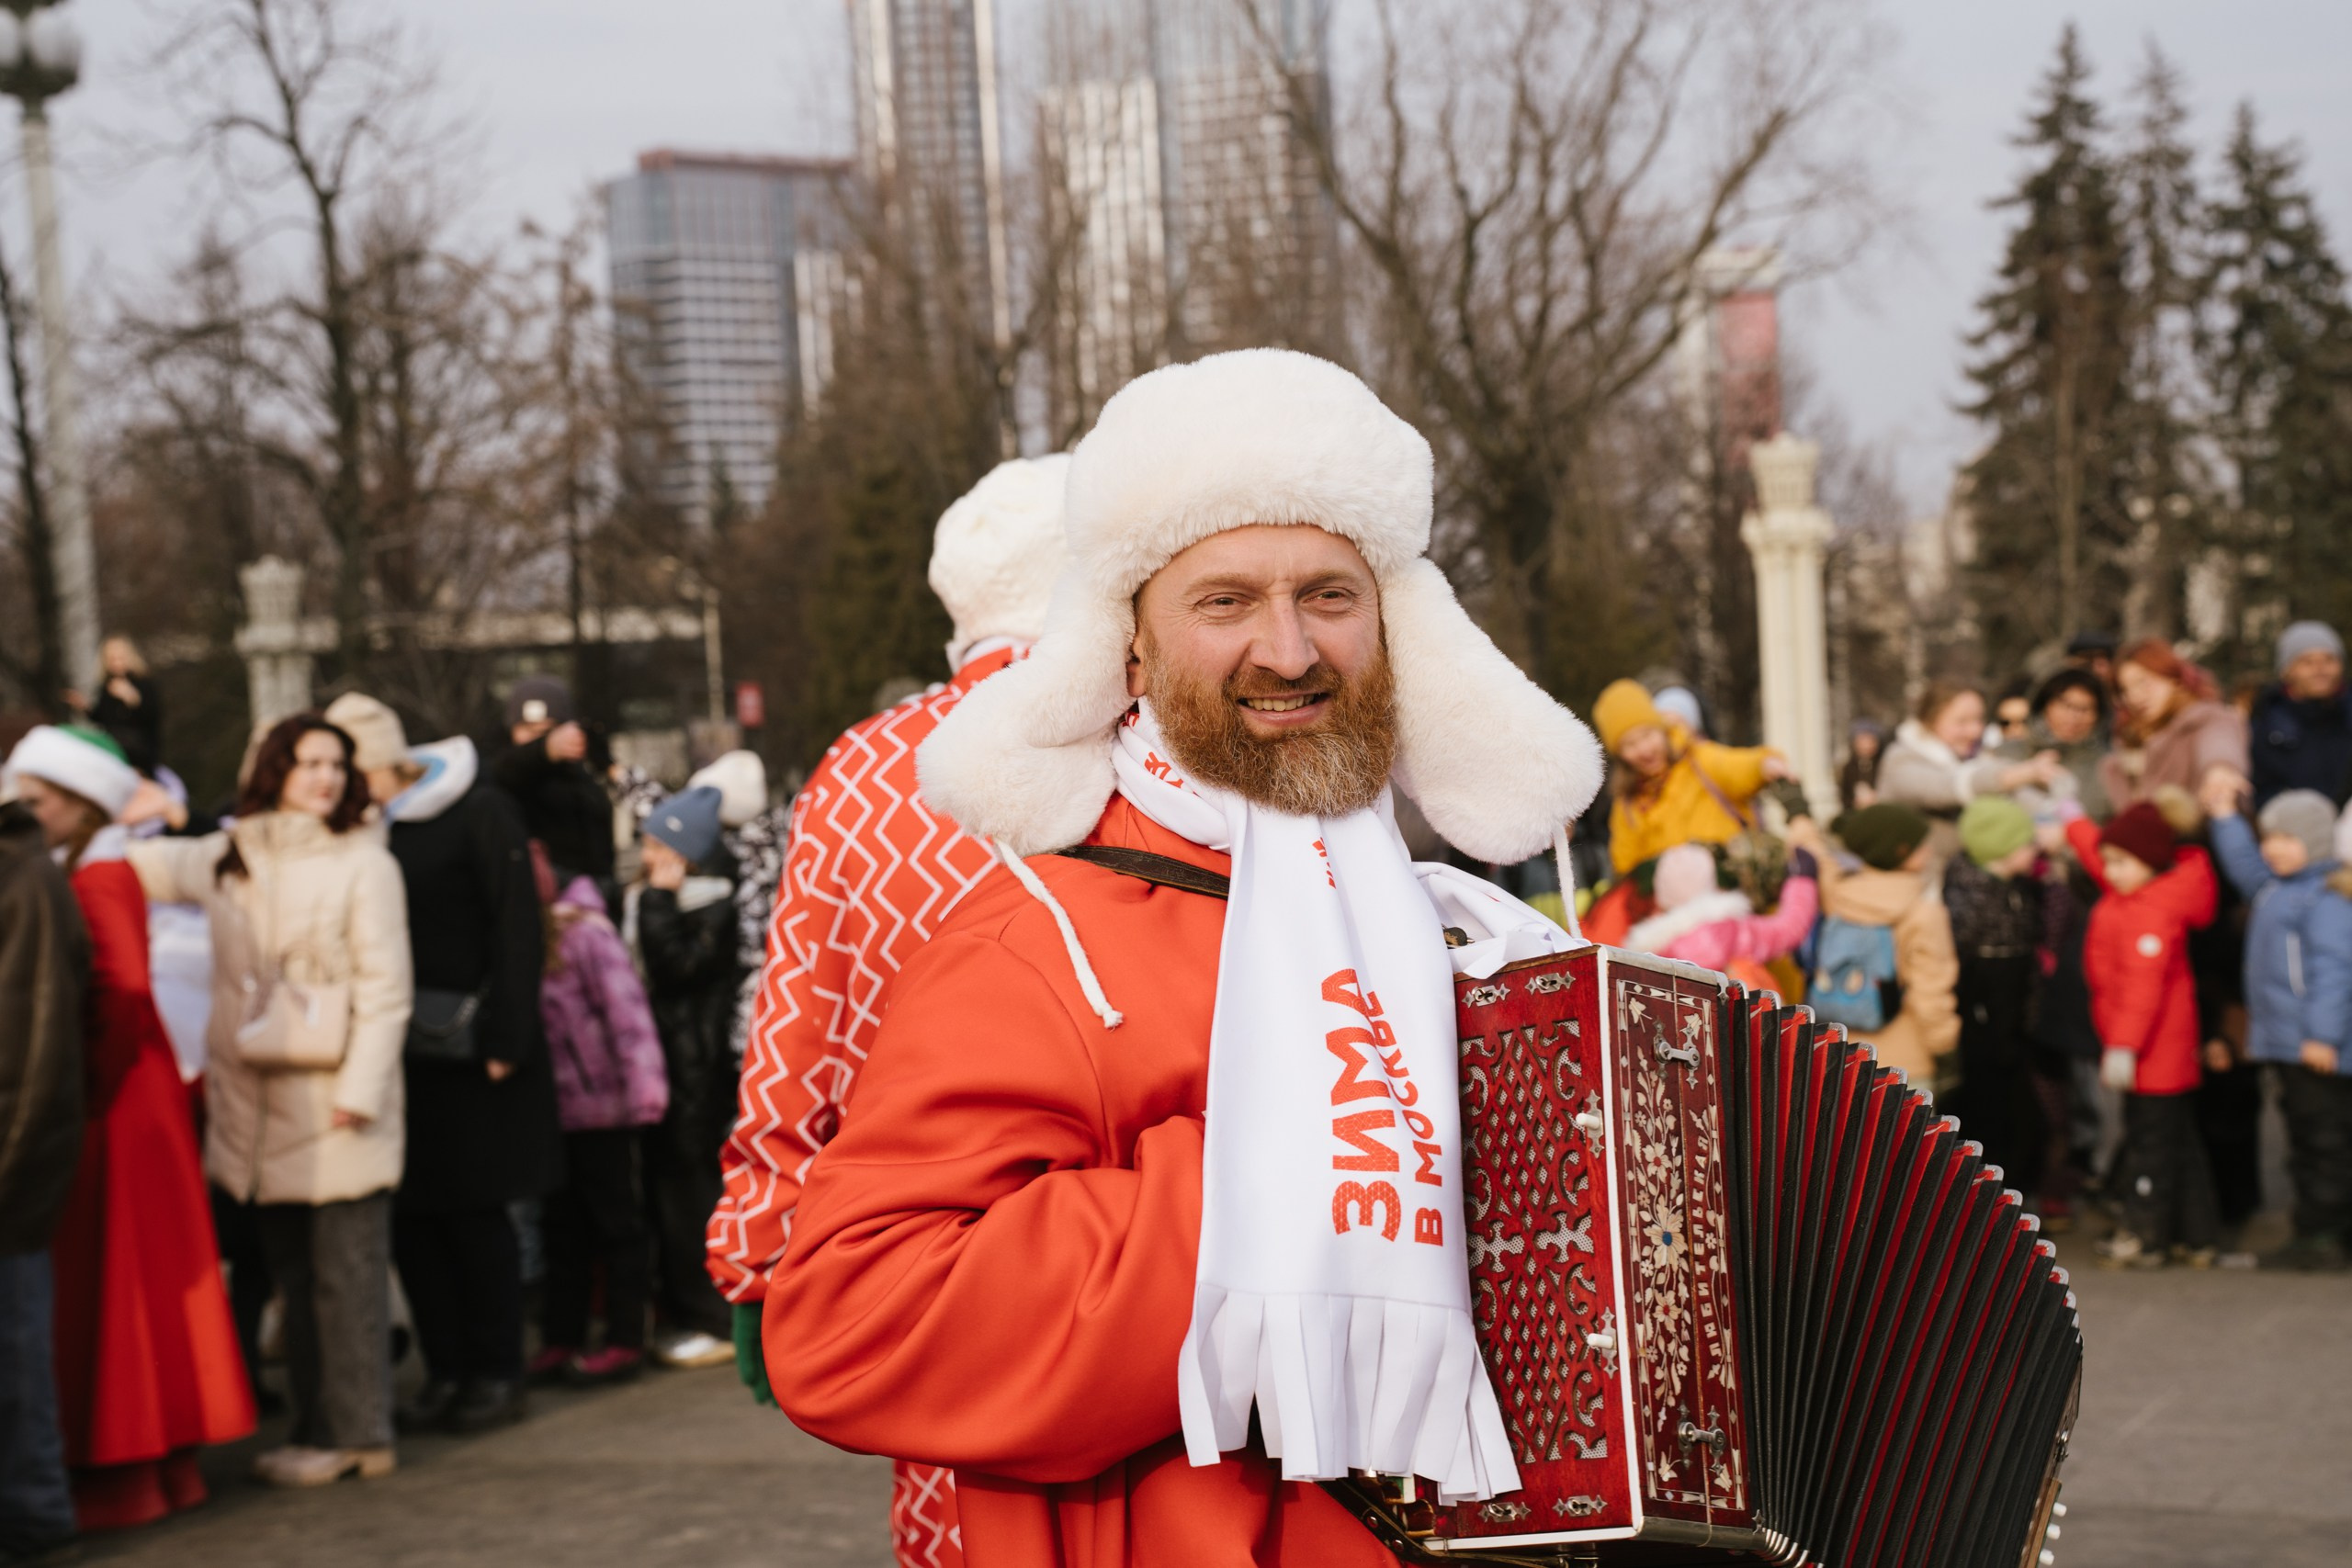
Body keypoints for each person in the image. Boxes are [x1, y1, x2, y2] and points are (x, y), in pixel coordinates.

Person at [765, 350, 1600, 1567]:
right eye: (1224, 602)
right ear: (1132, 651)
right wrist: (1268, 1184)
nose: (1290, 649)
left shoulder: (1455, 931)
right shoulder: (1037, 944)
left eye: (1329, 594)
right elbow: (851, 1319)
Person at [706, 453, 1069, 1568]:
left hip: (930, 1266)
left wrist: (758, 1256)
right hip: (1155, 1251)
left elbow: (791, 1048)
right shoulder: (1164, 746)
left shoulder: (857, 772)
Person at [129, 714, 413, 1486]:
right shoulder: (229, 855)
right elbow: (135, 869)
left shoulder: (364, 864)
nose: (324, 777)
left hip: (335, 1107)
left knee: (345, 1278)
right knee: (295, 1278)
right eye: (307, 761)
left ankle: (356, 1433)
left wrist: (358, 1092)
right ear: (272, 769)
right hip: (256, 1115)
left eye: (335, 763)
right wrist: (120, 809)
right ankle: (322, 1427)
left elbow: (388, 994)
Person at [2, 728, 254, 1531]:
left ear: (76, 808)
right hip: (118, 1093)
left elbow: (120, 992)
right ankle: (150, 1465)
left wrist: (83, 1093)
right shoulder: (84, 867)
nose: (22, 809)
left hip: (112, 1099)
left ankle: (123, 1467)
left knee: (118, 1289)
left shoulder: (99, 873)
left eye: (38, 798)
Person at [329, 695, 560, 1436]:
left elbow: (515, 922)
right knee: (417, 1223)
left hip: (470, 1051)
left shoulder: (477, 809)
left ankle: (497, 1369)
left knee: (474, 1216)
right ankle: (448, 1369)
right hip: (397, 1057)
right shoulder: (363, 828)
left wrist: (506, 1039)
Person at [2064, 802, 2220, 1269]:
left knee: (2149, 1148)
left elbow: (2141, 992)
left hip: (2152, 1056)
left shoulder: (2149, 913)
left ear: (2149, 862)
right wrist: (2074, 820)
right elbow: (2100, 853)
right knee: (2179, 1145)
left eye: (2119, 862)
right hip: (2156, 1054)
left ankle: (2144, 1236)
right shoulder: (2139, 890)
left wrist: (2123, 1048)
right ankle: (2197, 1236)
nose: (2109, 870)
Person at [2203, 782, 2352, 1270]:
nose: (2273, 848)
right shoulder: (2275, 887)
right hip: (2288, 1044)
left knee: (2322, 1140)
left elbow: (2335, 971)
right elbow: (2243, 862)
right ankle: (2321, 1227)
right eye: (2269, 837)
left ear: (2315, 843)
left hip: (2312, 1046)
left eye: (2288, 839)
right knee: (2307, 1133)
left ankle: (2322, 1236)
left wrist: (2322, 1037)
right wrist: (2225, 816)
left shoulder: (2325, 898)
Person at [0, 773, 88, 1564]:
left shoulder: (22, 875)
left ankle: (36, 1512)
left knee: (17, 1353)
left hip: (13, 1160)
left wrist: (11, 1161)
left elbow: (38, 1039)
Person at [537, 867, 668, 1382]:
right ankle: (561, 1335)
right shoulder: (528, 930)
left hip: (604, 1108)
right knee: (561, 1228)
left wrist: (645, 1095)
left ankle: (626, 1337)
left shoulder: (588, 933)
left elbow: (627, 1015)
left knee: (618, 1225)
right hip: (554, 1113)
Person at [629, 785, 740, 1369]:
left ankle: (711, 1315)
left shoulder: (708, 906)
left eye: (654, 844)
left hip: (692, 1076)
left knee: (690, 1199)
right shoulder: (682, 902)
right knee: (672, 1198)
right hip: (670, 1070)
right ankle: (689, 1309)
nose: (645, 855)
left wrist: (656, 902)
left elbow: (675, 968)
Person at [1941, 796, 2052, 1198]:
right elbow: (1963, 966)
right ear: (2001, 849)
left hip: (2017, 1021)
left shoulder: (2019, 888)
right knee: (1990, 1112)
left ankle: (2018, 1187)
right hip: (1985, 1025)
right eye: (2026, 843)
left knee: (2020, 1113)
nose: (2035, 850)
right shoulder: (1969, 899)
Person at [1814, 803, 1961, 1090]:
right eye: (1919, 845)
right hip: (1905, 1061)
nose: (1929, 850)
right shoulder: (1924, 913)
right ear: (1899, 852)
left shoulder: (1835, 893)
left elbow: (1818, 855)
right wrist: (1944, 1046)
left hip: (1840, 1053)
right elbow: (1930, 993)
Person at [1593, 677, 1787, 875]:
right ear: (1620, 755)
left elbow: (1736, 766)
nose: (1644, 749)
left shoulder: (1697, 758)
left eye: (1647, 735)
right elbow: (1626, 867)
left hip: (1729, 888)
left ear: (1661, 730)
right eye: (1629, 745)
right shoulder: (1626, 804)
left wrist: (1763, 764)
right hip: (1672, 903)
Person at [1622, 826, 1821, 987]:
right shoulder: (1728, 929)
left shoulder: (1652, 953)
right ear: (1713, 883)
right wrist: (1802, 879)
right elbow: (1787, 930)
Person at [1873, 682, 2063, 845]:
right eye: (1961, 721)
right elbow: (1947, 787)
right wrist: (2019, 773)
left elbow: (2019, 796)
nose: (1974, 731)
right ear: (1929, 720)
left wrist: (2056, 818)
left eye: (1978, 720)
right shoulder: (1900, 761)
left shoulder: (1974, 759)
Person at [493, 677, 616, 895]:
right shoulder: (504, 775)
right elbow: (509, 768)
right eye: (527, 729)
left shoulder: (581, 778)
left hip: (594, 901)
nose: (536, 736)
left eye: (547, 729)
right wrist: (545, 749)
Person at [2101, 639, 2248, 809]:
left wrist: (2220, 770)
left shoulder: (2203, 720)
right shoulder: (2126, 744)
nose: (2134, 696)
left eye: (2142, 682)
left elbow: (2218, 742)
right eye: (2125, 690)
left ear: (2172, 678)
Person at [2248, 621, 2352, 809]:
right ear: (2287, 671)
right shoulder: (2267, 720)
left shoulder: (2347, 713)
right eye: (2307, 662)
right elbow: (2261, 788)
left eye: (2329, 659)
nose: (2320, 669)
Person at [1999, 668, 2112, 822]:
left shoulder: (2108, 767)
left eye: (2085, 709)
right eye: (2066, 705)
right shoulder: (2007, 753)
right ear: (2045, 705)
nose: (2074, 716)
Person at [66, 637, 164, 776]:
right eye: (112, 659)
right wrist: (84, 707)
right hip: (114, 753)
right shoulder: (106, 687)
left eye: (121, 658)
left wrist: (133, 699)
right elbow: (102, 718)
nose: (117, 663)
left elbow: (152, 718)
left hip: (141, 757)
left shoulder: (143, 684)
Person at [1838, 718, 1885, 812]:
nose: (1866, 746)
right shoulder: (1848, 768)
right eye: (1862, 741)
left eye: (1871, 741)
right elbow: (1844, 795)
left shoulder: (1883, 765)